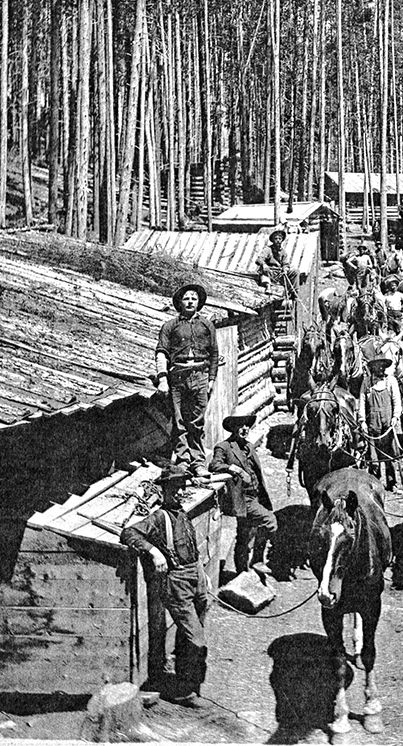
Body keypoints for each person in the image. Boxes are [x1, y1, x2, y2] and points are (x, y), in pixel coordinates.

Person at [120, 466, 209, 709]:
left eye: (182, 487)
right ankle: (183, 690)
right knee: (196, 638)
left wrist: (202, 573)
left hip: (196, 577)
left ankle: (185, 678)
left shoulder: (182, 513)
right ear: (164, 491)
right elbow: (129, 533)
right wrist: (153, 551)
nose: (179, 492)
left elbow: (191, 548)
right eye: (174, 488)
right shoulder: (159, 517)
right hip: (177, 581)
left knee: (192, 630)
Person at [155, 283, 219, 477]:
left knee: (197, 421)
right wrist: (163, 379)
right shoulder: (170, 326)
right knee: (179, 421)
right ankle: (183, 461)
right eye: (186, 298)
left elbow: (214, 353)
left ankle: (198, 463)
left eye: (194, 298)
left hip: (200, 376)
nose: (190, 302)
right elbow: (161, 352)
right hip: (178, 376)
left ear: (199, 302)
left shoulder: (207, 325)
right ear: (179, 303)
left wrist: (211, 379)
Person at [209, 408, 276, 578]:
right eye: (241, 426)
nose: (245, 428)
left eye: (247, 425)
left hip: (256, 496)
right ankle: (257, 559)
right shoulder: (224, 447)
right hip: (241, 498)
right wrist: (234, 468)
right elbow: (214, 465)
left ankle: (241, 572)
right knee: (270, 521)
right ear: (233, 428)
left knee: (244, 534)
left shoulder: (249, 446)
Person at [357, 354, 402, 492]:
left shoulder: (391, 381)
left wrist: (395, 417)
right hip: (372, 424)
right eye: (377, 366)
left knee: (389, 454)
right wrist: (362, 421)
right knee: (372, 455)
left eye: (382, 366)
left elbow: (397, 401)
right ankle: (374, 483)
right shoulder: (367, 382)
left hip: (387, 424)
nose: (380, 368)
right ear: (373, 367)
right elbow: (362, 402)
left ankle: (392, 482)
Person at [382, 275, 403, 340]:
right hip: (390, 314)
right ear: (389, 287)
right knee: (390, 329)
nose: (393, 287)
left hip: (398, 313)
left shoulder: (399, 294)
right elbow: (382, 303)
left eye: (395, 285)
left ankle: (399, 340)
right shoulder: (386, 295)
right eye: (392, 285)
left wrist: (402, 306)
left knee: (399, 329)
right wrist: (385, 308)